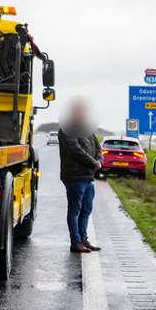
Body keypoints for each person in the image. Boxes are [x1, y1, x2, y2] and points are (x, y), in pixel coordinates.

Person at [58, 98, 102, 253]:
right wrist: (94, 163)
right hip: (74, 176)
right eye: (79, 111)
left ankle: (83, 239)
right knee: (75, 210)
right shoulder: (67, 129)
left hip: (88, 177)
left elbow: (98, 147)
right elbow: (75, 150)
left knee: (86, 209)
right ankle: (75, 242)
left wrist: (99, 161)